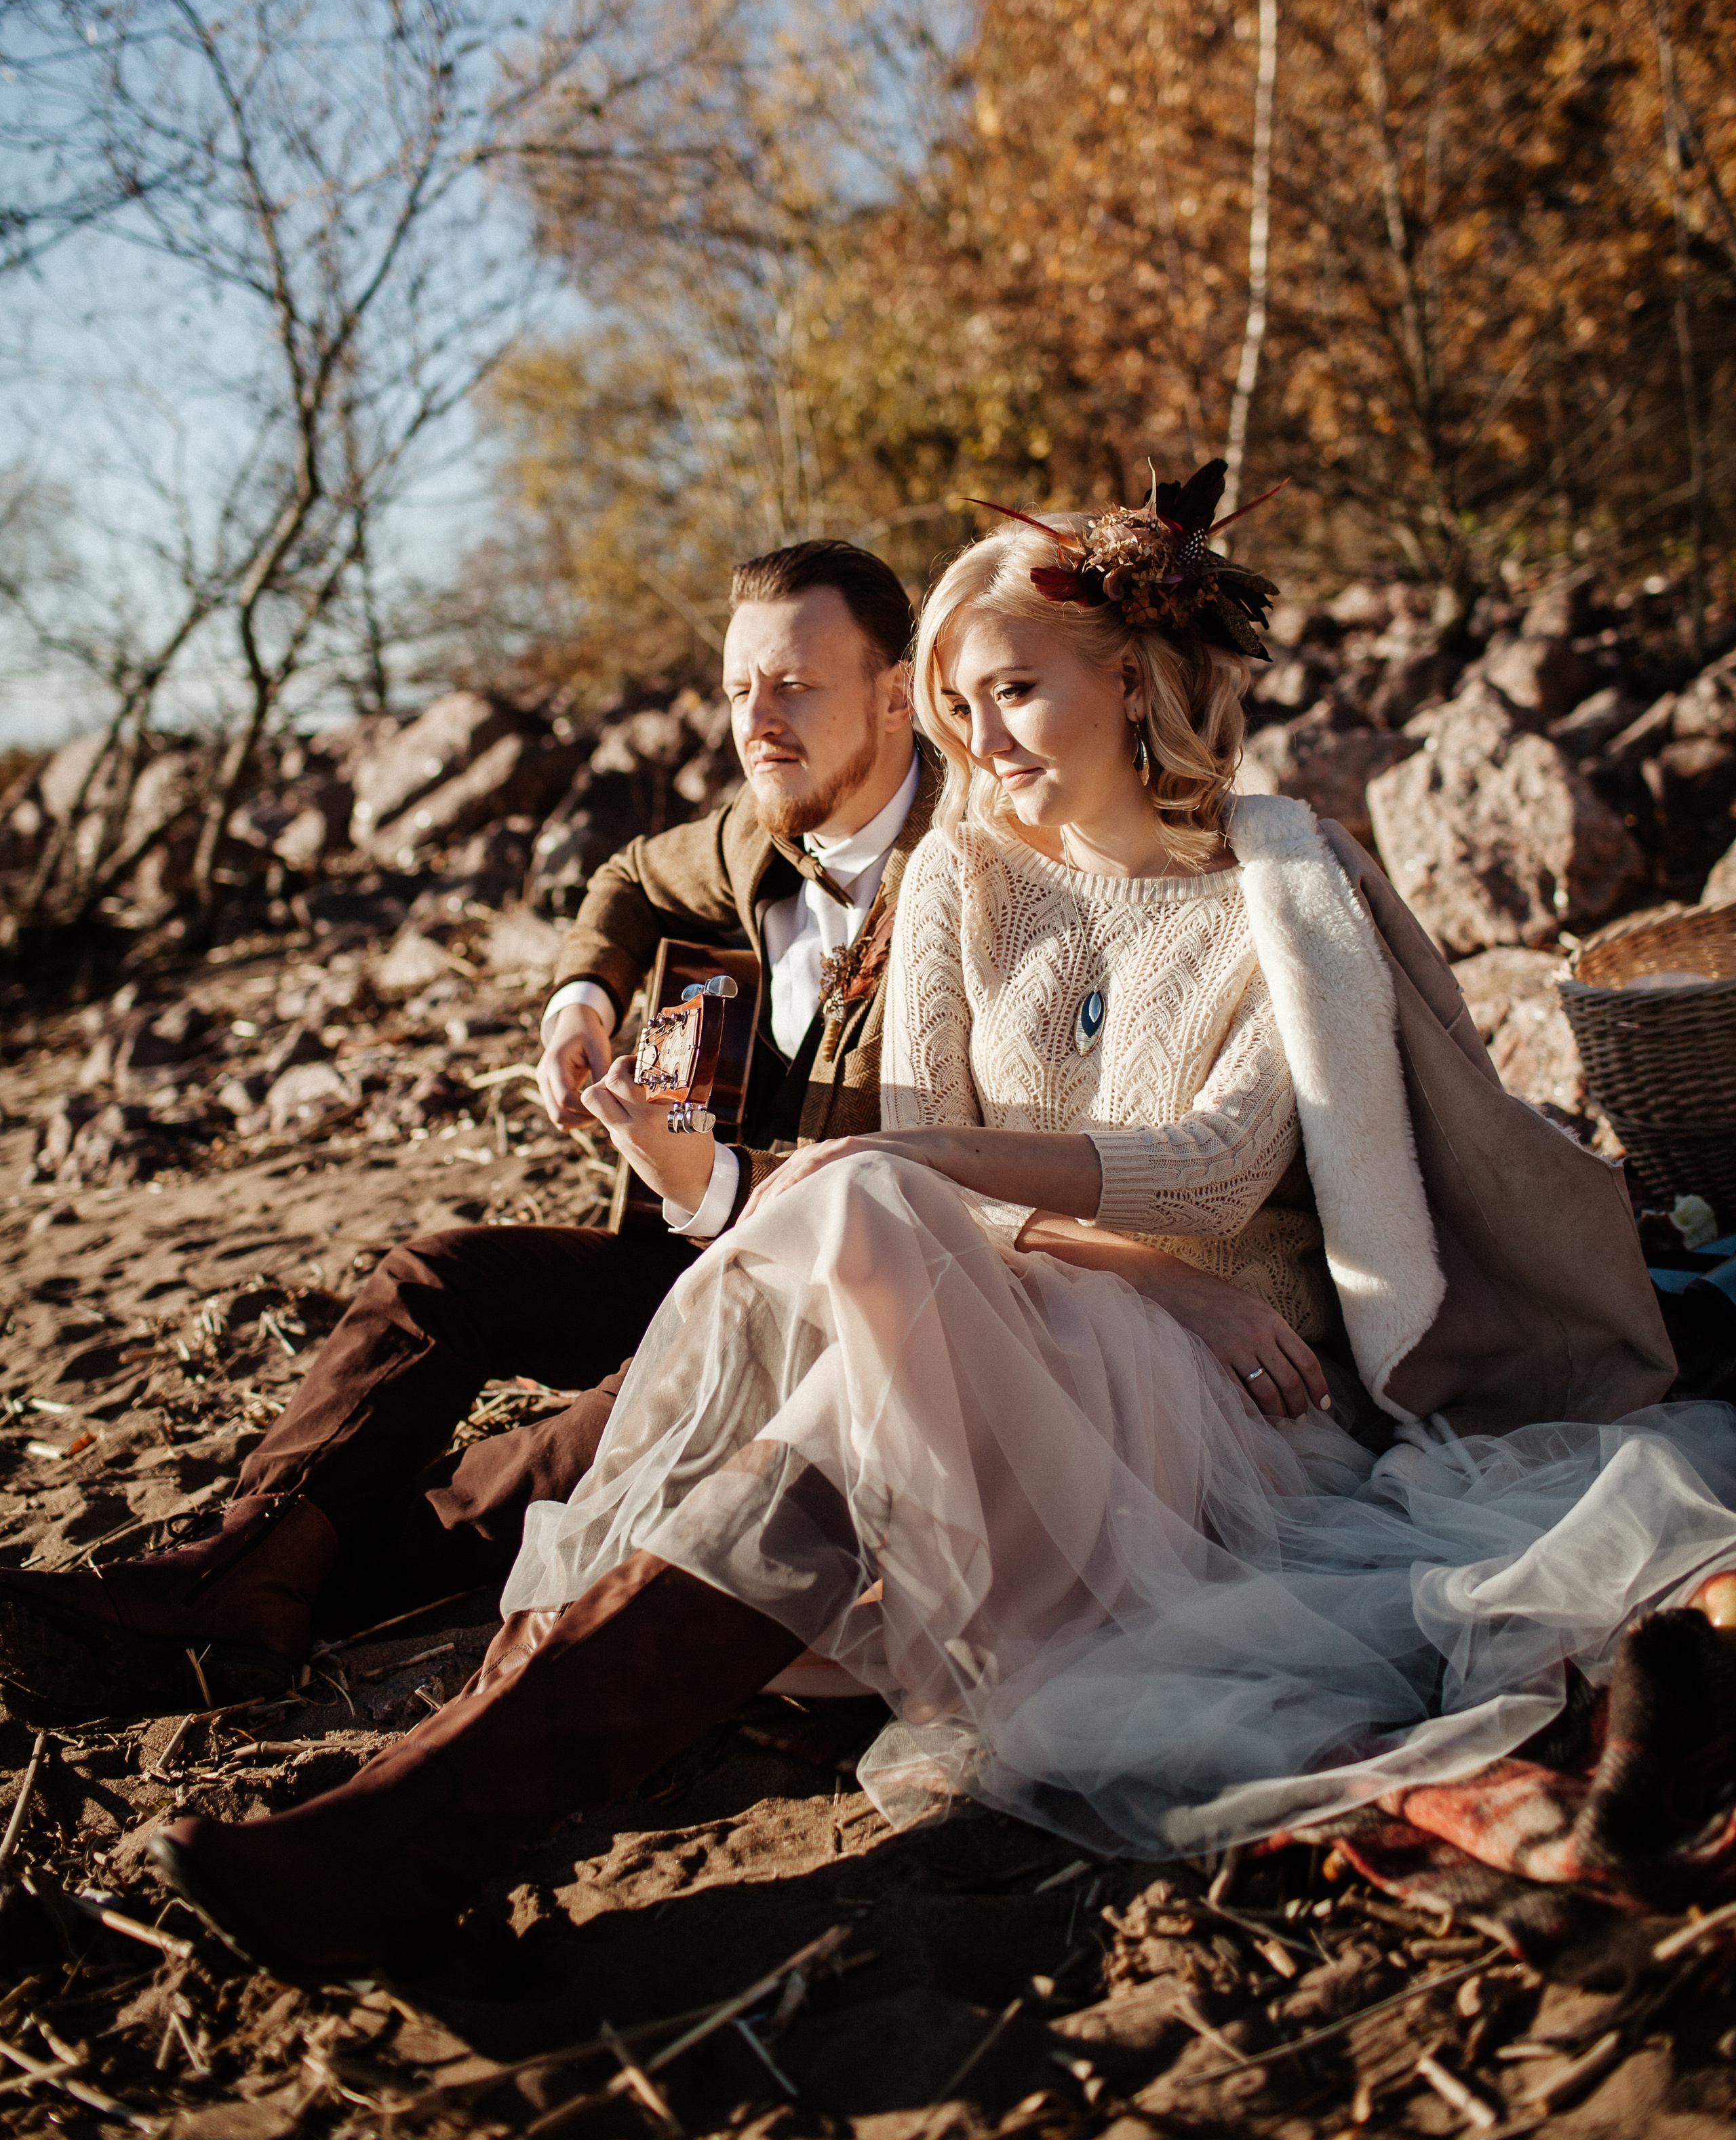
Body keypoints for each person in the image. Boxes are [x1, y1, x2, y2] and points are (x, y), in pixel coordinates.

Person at [151, 464, 1736, 1985]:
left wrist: (1108, 1263)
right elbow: (917, 1174)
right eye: (961, 705)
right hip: (1014, 1313)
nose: (983, 739)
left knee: (838, 1243)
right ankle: (391, 1842)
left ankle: (387, 1833)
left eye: (1021, 693)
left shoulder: (1276, 883)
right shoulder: (962, 878)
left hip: (1226, 1409)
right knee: (819, 1394)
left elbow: (1199, 1174)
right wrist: (1096, 1258)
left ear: (1133, 681)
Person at [0, 542, 936, 1728]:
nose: (758, 722)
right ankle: (246, 1565)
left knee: (584, 1439)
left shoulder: (972, 878)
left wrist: (718, 1186)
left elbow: (943, 1177)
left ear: (896, 695)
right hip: (693, 1248)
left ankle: (256, 1596)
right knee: (432, 1279)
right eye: (738, 688)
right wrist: (580, 1005)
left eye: (794, 685)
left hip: (833, 1316)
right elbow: (627, 882)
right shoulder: (757, 833)